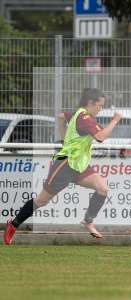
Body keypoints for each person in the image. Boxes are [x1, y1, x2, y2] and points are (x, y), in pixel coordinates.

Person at [3, 88, 123, 245]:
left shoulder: (79, 114)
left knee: (102, 188)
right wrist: (115, 120)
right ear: (90, 103)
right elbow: (100, 137)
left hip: (79, 165)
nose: (101, 109)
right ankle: (13, 225)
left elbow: (61, 117)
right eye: (100, 105)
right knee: (41, 201)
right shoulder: (84, 118)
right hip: (64, 164)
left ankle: (88, 221)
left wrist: (65, 137)